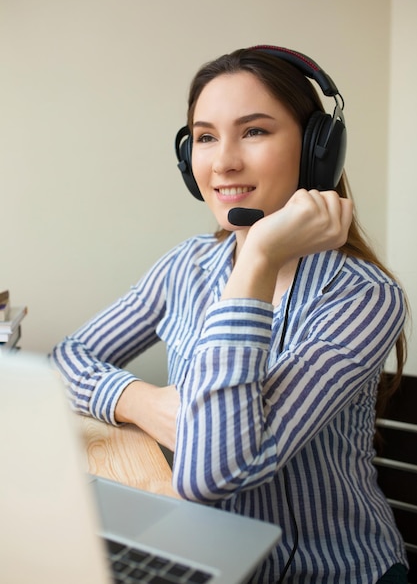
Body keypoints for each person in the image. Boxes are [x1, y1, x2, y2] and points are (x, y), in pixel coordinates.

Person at [52, 45, 409, 583]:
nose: (223, 162)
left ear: (318, 152)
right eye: (205, 137)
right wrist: (144, 403)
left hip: (333, 572)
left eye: (255, 131)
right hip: (209, 558)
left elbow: (212, 473)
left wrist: (258, 260)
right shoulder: (188, 265)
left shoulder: (360, 295)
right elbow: (65, 358)